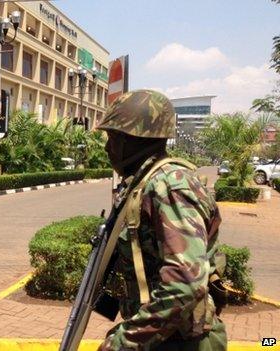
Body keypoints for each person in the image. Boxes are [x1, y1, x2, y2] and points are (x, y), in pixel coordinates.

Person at [95, 90, 227, 350]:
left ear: (133, 139)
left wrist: (123, 342)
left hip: (180, 341)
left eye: (113, 137)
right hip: (164, 337)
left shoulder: (169, 186)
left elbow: (184, 283)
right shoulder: (144, 183)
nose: (108, 147)